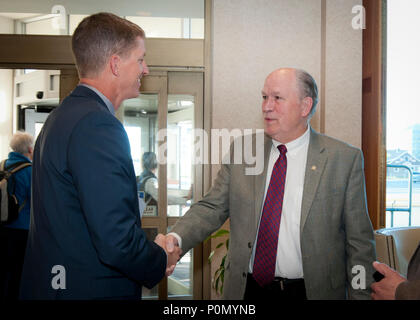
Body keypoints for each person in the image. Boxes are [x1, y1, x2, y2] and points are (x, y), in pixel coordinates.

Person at [165, 68, 376, 300]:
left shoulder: (343, 159)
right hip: (249, 291)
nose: (266, 106)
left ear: (305, 106)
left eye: (277, 98)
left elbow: (359, 243)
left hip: (311, 292)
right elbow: (211, 207)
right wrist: (176, 238)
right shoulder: (244, 151)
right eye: (264, 97)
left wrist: (361, 296)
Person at [19, 12, 180, 300]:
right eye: (140, 59)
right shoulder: (98, 125)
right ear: (116, 64)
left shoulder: (61, 117)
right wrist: (159, 258)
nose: (145, 69)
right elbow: (116, 240)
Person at [0, 131, 33, 300]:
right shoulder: (30, 171)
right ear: (29, 149)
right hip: (21, 229)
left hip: (2, 226)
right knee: (18, 271)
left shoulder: (2, 165)